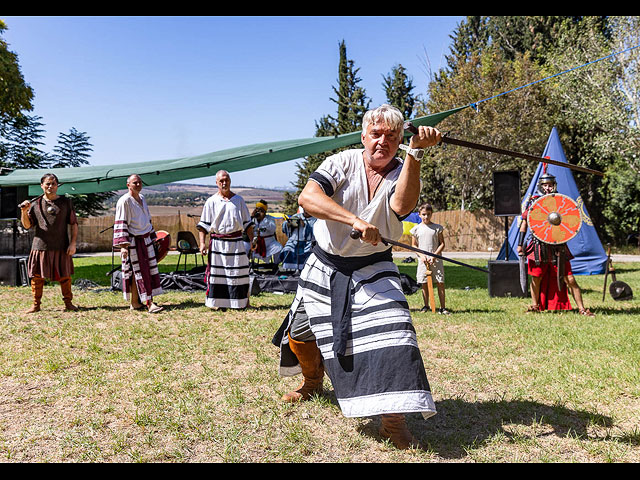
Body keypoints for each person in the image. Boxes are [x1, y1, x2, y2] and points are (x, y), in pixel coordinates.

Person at [272, 104, 441, 450]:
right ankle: (312, 381)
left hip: (374, 266)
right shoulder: (342, 162)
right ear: (364, 136)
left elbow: (403, 206)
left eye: (392, 137)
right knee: (300, 334)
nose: (383, 142)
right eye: (376, 135)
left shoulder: (402, 168)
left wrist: (417, 153)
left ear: (399, 142)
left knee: (397, 334)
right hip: (325, 262)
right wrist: (354, 221)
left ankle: (392, 422)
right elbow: (308, 198)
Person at [517, 171, 594, 316]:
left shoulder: (561, 201)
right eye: (545, 185)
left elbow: (570, 220)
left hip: (558, 245)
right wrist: (520, 244)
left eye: (550, 185)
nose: (548, 188)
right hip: (538, 245)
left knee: (569, 278)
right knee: (536, 277)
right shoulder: (534, 201)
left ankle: (582, 309)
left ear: (554, 185)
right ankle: (535, 306)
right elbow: (525, 222)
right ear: (541, 186)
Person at [19, 173, 79, 313]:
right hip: (40, 246)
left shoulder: (66, 202)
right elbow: (27, 225)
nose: (50, 186)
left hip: (61, 245)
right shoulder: (35, 204)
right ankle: (36, 304)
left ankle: (68, 303)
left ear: (57, 185)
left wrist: (73, 243)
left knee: (65, 276)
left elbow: (74, 224)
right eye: (47, 184)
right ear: (42, 186)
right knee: (37, 277)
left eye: (53, 183)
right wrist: (24, 211)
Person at [197, 170, 253, 310]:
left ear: (230, 181)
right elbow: (203, 226)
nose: (224, 183)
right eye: (221, 181)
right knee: (218, 274)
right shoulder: (211, 201)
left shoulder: (238, 200)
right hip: (217, 244)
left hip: (236, 242)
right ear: (216, 183)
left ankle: (242, 302)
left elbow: (248, 224)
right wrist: (202, 243)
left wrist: (252, 241)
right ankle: (217, 303)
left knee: (240, 273)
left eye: (226, 180)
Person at [113, 174, 164, 313]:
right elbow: (121, 221)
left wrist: (153, 238)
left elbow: (147, 219)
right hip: (133, 242)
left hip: (146, 240)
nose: (138, 185)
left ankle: (135, 302)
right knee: (140, 272)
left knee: (141, 273)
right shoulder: (124, 201)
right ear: (128, 185)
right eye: (135, 182)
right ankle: (149, 303)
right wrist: (123, 246)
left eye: (140, 182)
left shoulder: (142, 199)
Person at [410, 203, 449, 314]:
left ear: (431, 214)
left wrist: (434, 255)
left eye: (428, 214)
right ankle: (426, 305)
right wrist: (422, 256)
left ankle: (442, 307)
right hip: (423, 261)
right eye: (423, 214)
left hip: (436, 260)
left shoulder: (437, 228)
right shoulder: (416, 229)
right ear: (419, 215)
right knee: (424, 282)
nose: (426, 217)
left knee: (440, 282)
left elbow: (442, 244)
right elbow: (414, 245)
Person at [248, 200, 283, 265]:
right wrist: (253, 217)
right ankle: (252, 265)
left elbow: (273, 228)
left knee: (279, 248)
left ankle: (276, 265)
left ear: (264, 211)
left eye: (260, 210)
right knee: (246, 247)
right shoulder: (253, 219)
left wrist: (263, 218)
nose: (258, 212)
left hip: (270, 243)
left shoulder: (269, 219)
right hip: (257, 243)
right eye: (257, 210)